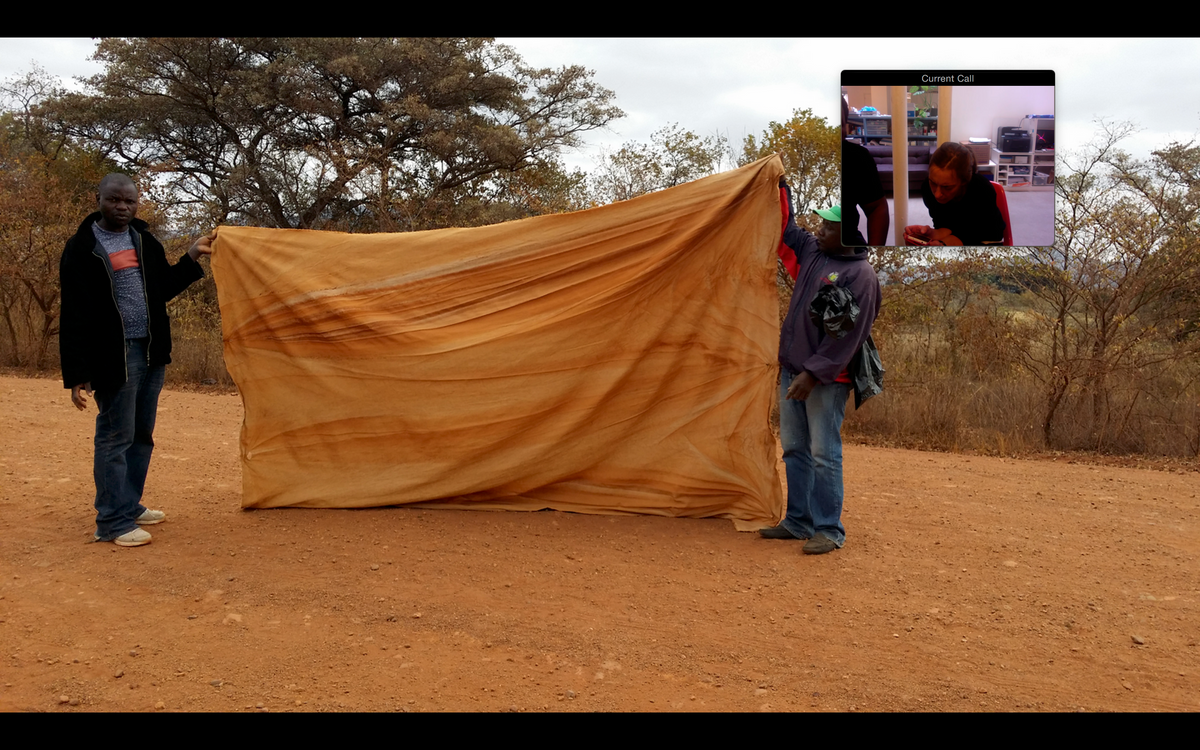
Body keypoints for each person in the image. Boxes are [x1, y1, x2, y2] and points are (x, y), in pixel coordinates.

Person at [60, 173, 215, 547]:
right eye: (114, 200)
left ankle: (128, 504)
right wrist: (77, 372)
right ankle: (112, 522)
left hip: (150, 349)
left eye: (129, 201)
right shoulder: (81, 248)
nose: (122, 207)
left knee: (141, 434)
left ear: (137, 203)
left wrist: (192, 255)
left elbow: (163, 287)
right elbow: (74, 313)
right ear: (99, 199)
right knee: (115, 435)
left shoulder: (143, 240)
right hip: (113, 355)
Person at [761, 182, 881, 555]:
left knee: (823, 453)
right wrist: (781, 187)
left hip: (825, 380)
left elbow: (847, 337)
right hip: (794, 369)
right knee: (795, 448)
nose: (819, 230)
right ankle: (798, 522)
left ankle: (828, 529)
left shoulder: (861, 277)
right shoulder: (814, 251)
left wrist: (812, 373)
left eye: (827, 226)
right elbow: (788, 228)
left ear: (845, 234)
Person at [904, 141, 1004, 246]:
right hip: (958, 236)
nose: (937, 194)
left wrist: (944, 244)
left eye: (947, 187)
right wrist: (931, 233)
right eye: (933, 183)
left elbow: (973, 234)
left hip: (987, 238)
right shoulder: (927, 188)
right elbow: (946, 226)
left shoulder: (981, 189)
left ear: (964, 181)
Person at [841, 96, 890, 247]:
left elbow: (877, 207)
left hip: (848, 242)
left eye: (840, 125)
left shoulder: (857, 157)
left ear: (846, 127)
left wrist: (875, 253)